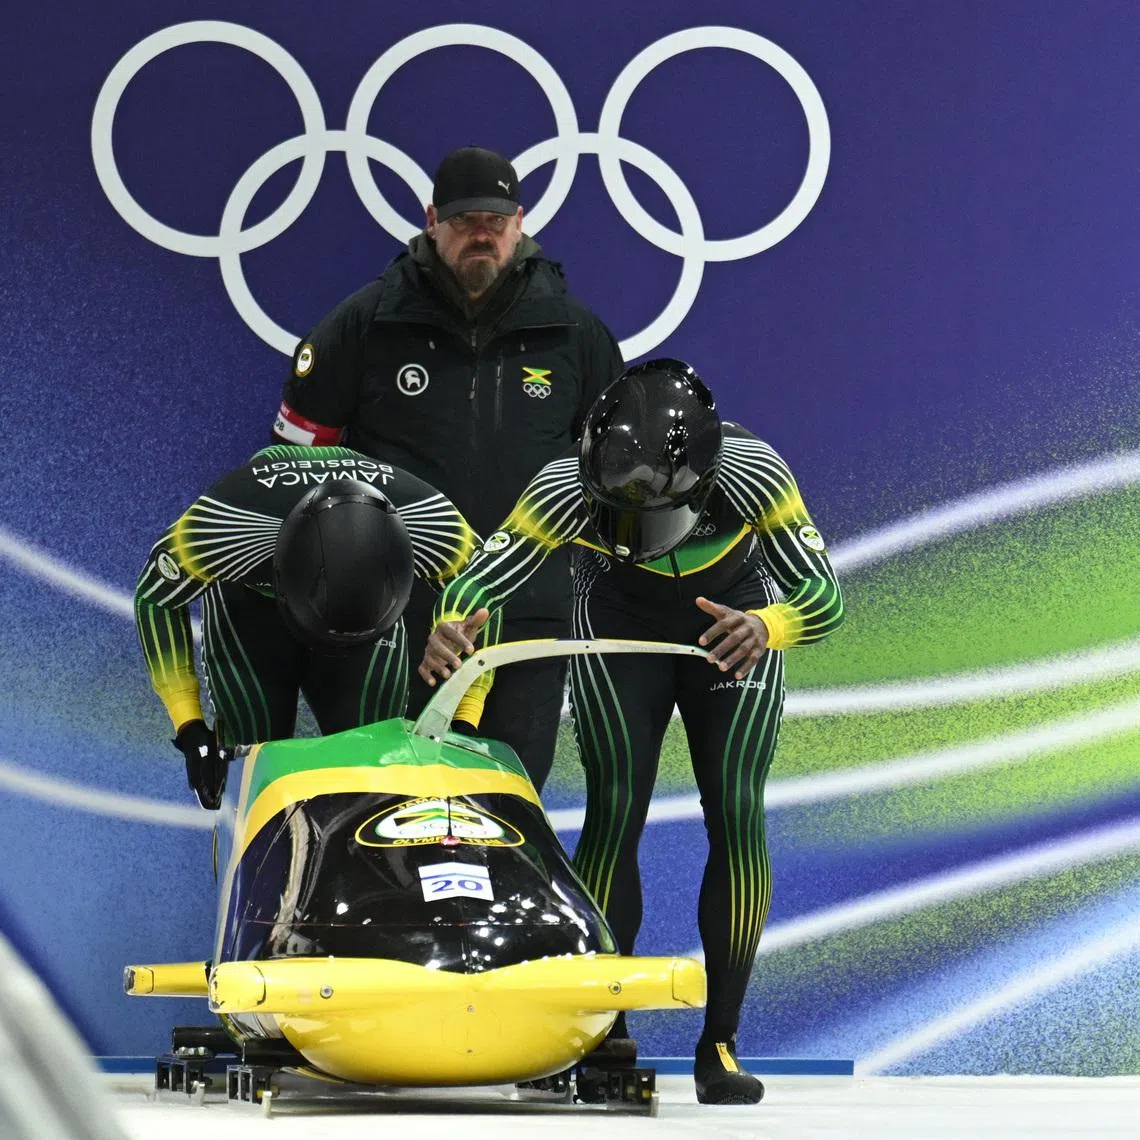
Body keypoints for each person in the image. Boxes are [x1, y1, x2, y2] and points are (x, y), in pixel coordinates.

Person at [419, 359, 844, 1105]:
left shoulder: (755, 471)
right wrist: (452, 624)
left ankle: (721, 1039)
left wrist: (767, 625)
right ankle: (604, 1025)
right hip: (617, 619)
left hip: (731, 625)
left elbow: (826, 597)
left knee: (736, 810)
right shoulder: (560, 485)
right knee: (616, 807)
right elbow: (477, 580)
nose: (635, 526)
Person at [271, 145, 624, 790]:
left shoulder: (577, 335)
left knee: (509, 810)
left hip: (526, 624)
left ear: (520, 221)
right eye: (465, 221)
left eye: (495, 220)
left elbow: (611, 485)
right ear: (433, 220)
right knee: (388, 813)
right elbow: (292, 468)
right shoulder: (365, 323)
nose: (481, 234)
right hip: (391, 619)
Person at [135, 444, 481, 809]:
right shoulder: (222, 529)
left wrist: (466, 718)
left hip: (361, 625)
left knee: (377, 759)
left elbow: (483, 595)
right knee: (254, 758)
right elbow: (154, 599)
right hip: (250, 607)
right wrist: (188, 726)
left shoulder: (432, 525)